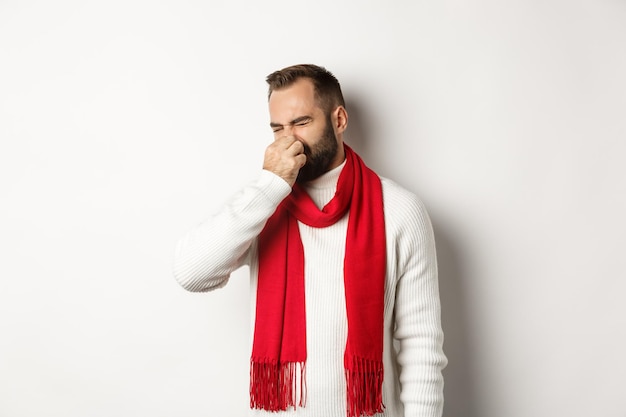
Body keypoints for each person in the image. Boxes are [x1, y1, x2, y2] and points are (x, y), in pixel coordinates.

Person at [173, 64, 447, 417]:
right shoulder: (261, 204)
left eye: (301, 122)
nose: (289, 139)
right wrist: (271, 186)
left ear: (340, 119)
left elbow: (421, 346)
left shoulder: (399, 209)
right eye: (277, 128)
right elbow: (191, 273)